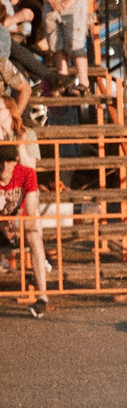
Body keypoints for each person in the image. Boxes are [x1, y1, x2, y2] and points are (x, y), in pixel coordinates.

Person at [1, 136, 45, 319]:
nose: (4, 168)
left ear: (16, 161)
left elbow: (33, 213)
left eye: (8, 162)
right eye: (0, 162)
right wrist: (5, 225)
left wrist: (17, 224)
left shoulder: (26, 174)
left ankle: (43, 297)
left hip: (21, 223)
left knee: (34, 235)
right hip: (2, 225)